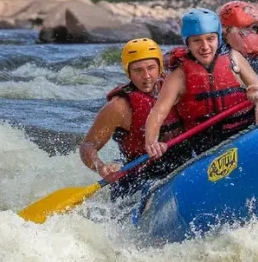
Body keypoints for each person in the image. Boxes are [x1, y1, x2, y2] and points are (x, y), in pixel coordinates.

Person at [143, 9, 258, 171]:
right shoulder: (178, 76)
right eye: (196, 41)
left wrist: (256, 97)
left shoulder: (233, 58)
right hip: (208, 145)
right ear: (187, 43)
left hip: (245, 131)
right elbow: (158, 113)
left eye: (210, 39)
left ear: (218, 38)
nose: (205, 46)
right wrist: (152, 143)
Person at [78, 38, 182, 200]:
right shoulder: (119, 107)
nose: (146, 76)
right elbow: (88, 145)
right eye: (138, 70)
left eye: (151, 68)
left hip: (181, 160)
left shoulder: (176, 87)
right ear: (129, 72)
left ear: (160, 67)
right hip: (141, 174)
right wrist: (101, 167)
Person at [164, 1, 258, 73]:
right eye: (244, 31)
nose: (250, 36)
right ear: (225, 32)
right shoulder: (213, 49)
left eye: (253, 29)